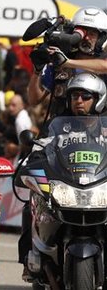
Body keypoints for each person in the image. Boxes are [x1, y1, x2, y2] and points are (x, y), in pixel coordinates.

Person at [18, 72, 107, 282]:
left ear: (99, 99)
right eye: (74, 96)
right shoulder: (57, 127)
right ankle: (28, 261)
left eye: (85, 97)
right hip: (66, 188)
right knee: (30, 205)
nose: (78, 101)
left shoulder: (106, 128)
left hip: (99, 188)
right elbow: (39, 151)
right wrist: (31, 166)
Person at [27, 6, 107, 117]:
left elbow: (104, 66)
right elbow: (34, 100)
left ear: (101, 39)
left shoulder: (102, 60)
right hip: (61, 129)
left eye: (92, 34)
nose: (86, 39)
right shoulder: (59, 61)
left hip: (99, 130)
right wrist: (37, 71)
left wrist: (68, 62)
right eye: (82, 34)